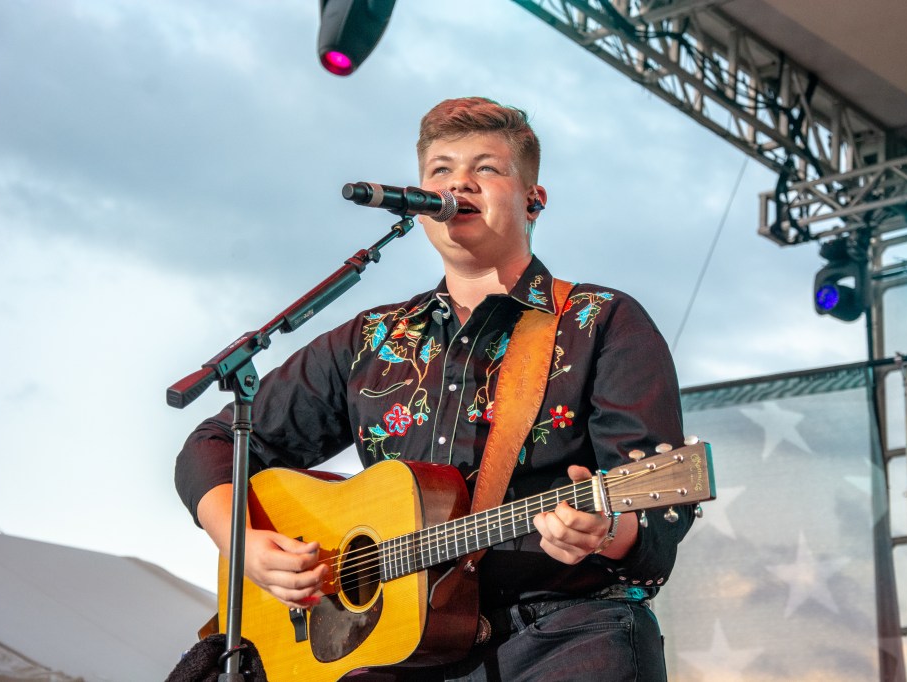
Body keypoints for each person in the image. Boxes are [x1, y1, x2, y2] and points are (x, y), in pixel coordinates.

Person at [175, 96, 694, 681]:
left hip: (562, 637)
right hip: (394, 651)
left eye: (486, 168)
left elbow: (661, 507)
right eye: (440, 170)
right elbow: (215, 443)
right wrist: (245, 544)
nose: (459, 182)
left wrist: (606, 530)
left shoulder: (600, 321)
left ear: (533, 199)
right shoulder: (372, 340)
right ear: (420, 202)